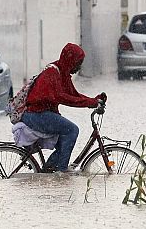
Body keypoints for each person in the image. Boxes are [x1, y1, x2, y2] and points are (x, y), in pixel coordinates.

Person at [21, 43, 106, 173]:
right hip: (35, 114)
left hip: (41, 113)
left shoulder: (62, 72)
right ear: (70, 61)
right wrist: (90, 103)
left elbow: (73, 95)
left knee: (63, 144)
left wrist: (95, 100)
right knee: (72, 130)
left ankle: (46, 173)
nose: (78, 67)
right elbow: (63, 97)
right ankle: (62, 172)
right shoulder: (52, 73)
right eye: (78, 63)